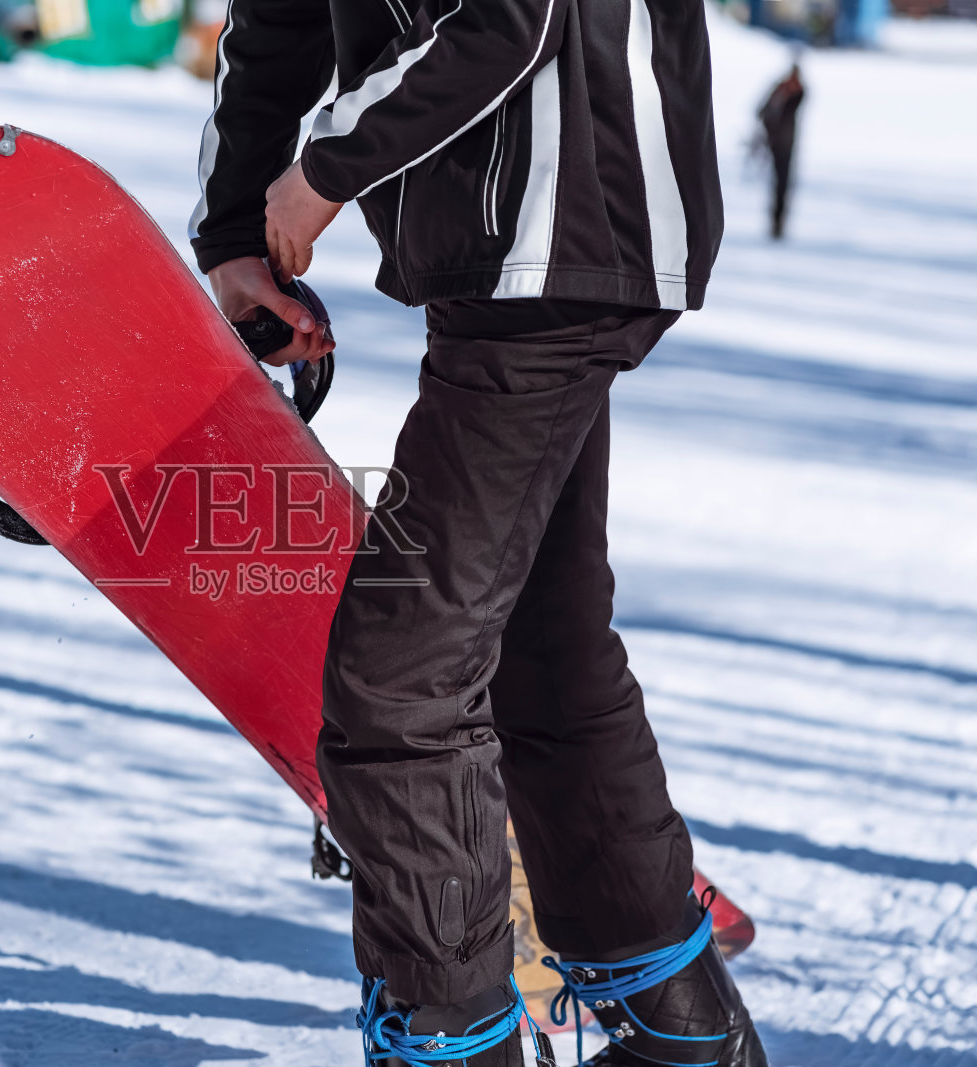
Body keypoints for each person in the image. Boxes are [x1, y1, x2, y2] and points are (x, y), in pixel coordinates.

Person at [188, 0, 767, 1061]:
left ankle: (451, 1032)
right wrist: (235, 233)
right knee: (542, 650)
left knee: (399, 678)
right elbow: (280, 19)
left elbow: (508, 18)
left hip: (562, 225)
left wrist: (322, 172)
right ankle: (677, 1032)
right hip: (514, 253)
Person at [759, 63, 805, 240]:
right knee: (780, 184)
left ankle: (779, 223)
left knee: (782, 185)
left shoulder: (796, 93)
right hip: (779, 144)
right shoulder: (780, 91)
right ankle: (776, 223)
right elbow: (761, 112)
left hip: (786, 145)